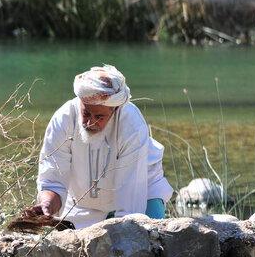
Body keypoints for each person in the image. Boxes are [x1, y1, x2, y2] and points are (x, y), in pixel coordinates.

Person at [31, 65, 174, 229]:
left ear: (116, 109)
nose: (90, 122)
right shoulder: (63, 119)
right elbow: (53, 180)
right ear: (80, 103)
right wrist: (47, 205)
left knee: (148, 240)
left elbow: (130, 202)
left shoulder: (131, 125)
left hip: (142, 195)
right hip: (83, 205)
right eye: (86, 113)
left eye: (99, 116)